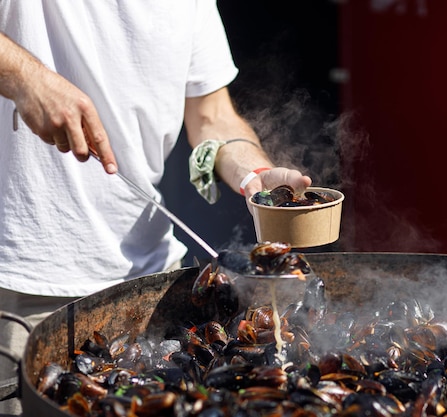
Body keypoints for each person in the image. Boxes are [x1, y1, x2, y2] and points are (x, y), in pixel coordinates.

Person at [0, 1, 311, 413]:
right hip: (27, 287)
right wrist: (26, 76)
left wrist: (253, 171)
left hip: (152, 285)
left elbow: (212, 114)